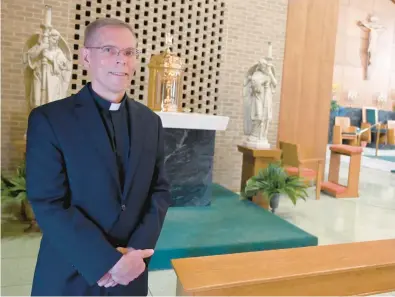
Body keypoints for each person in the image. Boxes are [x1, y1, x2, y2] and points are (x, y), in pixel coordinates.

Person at [26, 18, 172, 296]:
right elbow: (48, 202)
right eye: (109, 50)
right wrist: (107, 261)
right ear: (85, 57)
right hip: (72, 269)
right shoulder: (50, 119)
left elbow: (160, 191)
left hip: (130, 274)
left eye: (129, 52)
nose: (122, 60)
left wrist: (134, 255)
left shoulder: (150, 122)